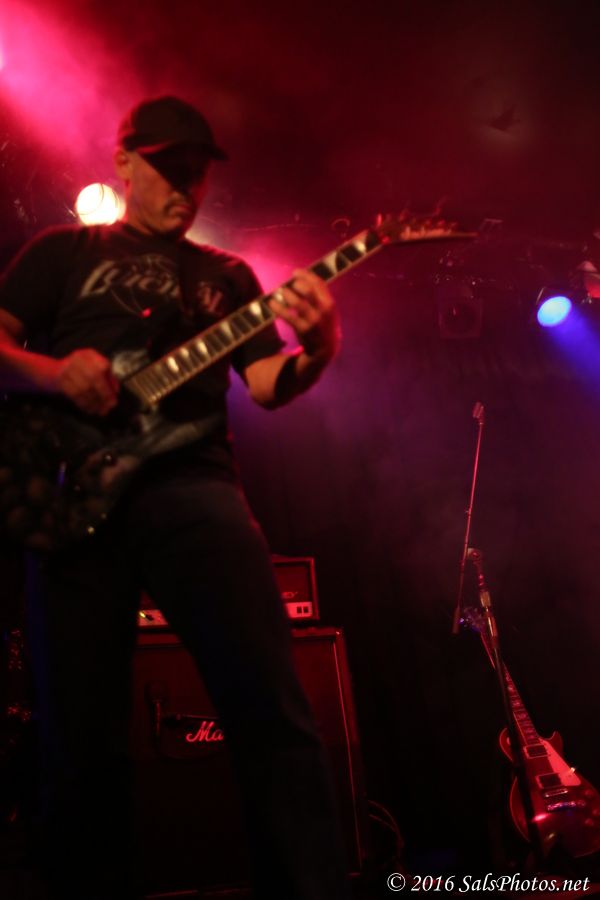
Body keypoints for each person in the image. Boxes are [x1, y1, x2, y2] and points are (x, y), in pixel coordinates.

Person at [0, 96, 348, 900]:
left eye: (196, 172)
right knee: (80, 735)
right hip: (68, 491)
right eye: (167, 168)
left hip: (194, 487)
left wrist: (321, 347)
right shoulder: (63, 252)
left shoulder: (228, 276)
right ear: (124, 163)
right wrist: (55, 372)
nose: (185, 186)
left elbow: (267, 384)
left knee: (270, 704)